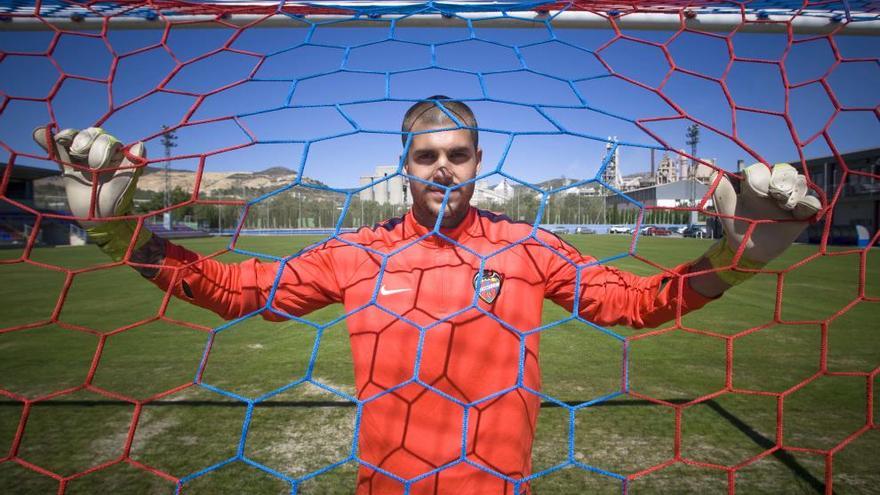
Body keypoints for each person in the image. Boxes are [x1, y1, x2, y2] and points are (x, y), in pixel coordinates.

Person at [34, 96, 819, 494]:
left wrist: (741, 255)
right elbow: (236, 288)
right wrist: (118, 233)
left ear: (479, 161)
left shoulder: (526, 244)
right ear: (402, 163)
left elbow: (634, 301)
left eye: (458, 154)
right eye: (426, 154)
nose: (443, 167)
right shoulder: (356, 252)